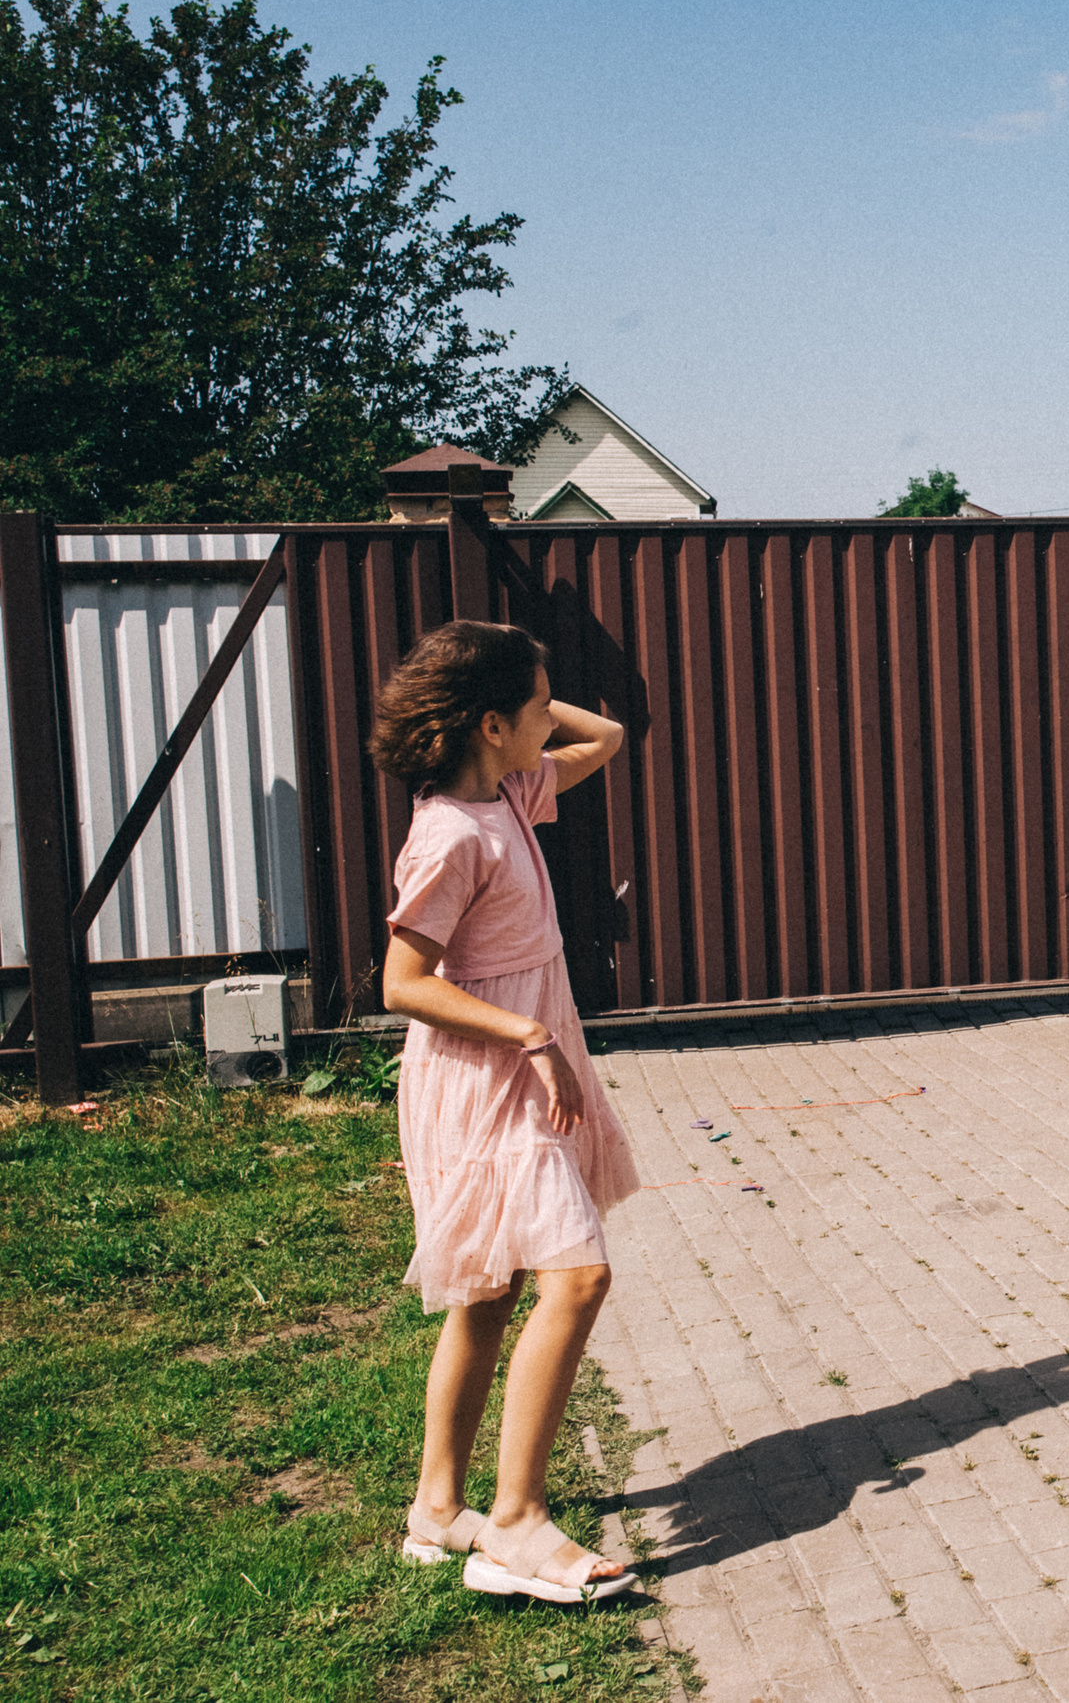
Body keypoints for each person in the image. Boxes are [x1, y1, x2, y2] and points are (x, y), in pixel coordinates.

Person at [372, 620, 643, 1601]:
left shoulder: (512, 795)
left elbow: (606, 739)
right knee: (575, 1279)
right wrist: (527, 1039)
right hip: (485, 1080)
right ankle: (517, 1524)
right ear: (491, 726)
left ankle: (437, 1510)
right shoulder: (448, 832)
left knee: (489, 1298)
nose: (550, 720)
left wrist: (530, 692)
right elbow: (402, 982)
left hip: (527, 1064)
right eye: (534, 708)